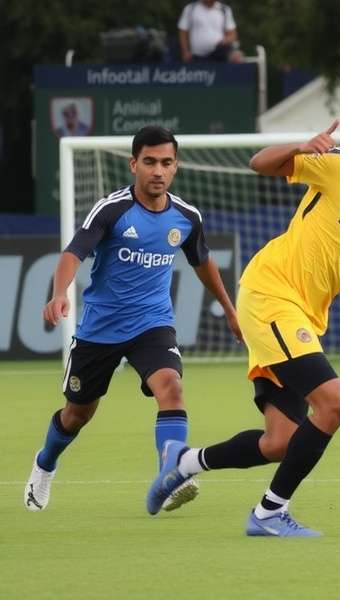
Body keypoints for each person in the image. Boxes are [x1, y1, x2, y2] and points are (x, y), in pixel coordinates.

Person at [146, 108, 340, 537]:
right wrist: (300, 147)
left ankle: (185, 461)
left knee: (280, 442)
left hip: (305, 317)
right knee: (334, 403)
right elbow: (259, 164)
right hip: (271, 293)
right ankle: (269, 513)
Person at [24, 126, 241, 513]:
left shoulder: (186, 217)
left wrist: (228, 307)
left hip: (152, 325)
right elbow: (73, 253)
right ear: (133, 164)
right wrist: (59, 293)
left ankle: (170, 476)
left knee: (171, 387)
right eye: (150, 162)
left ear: (176, 167)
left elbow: (202, 261)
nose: (158, 170)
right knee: (77, 414)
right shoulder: (113, 209)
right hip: (100, 330)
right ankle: (45, 465)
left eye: (166, 163)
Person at [178, 0, 243, 63]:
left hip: (219, 57)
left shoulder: (224, 9)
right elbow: (183, 32)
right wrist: (185, 52)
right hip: (196, 57)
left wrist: (225, 41)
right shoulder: (190, 9)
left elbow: (233, 34)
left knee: (236, 56)